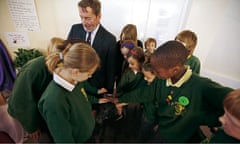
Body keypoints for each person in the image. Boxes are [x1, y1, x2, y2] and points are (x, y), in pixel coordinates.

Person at [111, 40, 233, 142]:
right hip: (161, 131)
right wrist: (121, 99)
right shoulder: (161, 80)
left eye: (158, 71)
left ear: (174, 70)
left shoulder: (201, 86)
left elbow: (233, 100)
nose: (155, 74)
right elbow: (144, 93)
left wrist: (206, 118)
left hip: (180, 138)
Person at [7, 37, 84, 142]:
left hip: (41, 108)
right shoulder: (33, 70)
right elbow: (20, 102)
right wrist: (31, 127)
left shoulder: (62, 66)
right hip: (24, 112)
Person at [38, 43, 109, 143]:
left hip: (87, 134)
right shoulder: (54, 101)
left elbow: (82, 98)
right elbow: (63, 139)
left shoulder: (75, 81)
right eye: (89, 74)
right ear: (75, 71)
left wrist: (96, 100)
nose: (90, 77)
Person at [68, 0, 116, 94]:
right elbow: (67, 54)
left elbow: (111, 69)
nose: (84, 22)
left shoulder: (110, 39)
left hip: (97, 88)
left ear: (99, 16)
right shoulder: (75, 29)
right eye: (81, 17)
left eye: (88, 18)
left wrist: (108, 91)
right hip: (75, 85)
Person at [137, 59, 158, 142]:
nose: (145, 79)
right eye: (144, 76)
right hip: (146, 113)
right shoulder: (148, 84)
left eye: (148, 77)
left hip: (152, 119)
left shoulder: (158, 90)